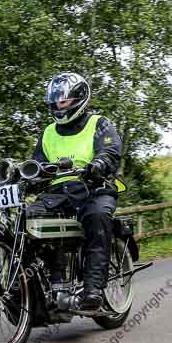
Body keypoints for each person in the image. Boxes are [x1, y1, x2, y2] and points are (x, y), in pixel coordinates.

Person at [30, 72, 122, 311]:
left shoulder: (100, 124)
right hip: (58, 193)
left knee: (97, 217)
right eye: (55, 101)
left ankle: (93, 290)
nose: (58, 106)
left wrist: (99, 164)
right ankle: (45, 285)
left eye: (64, 101)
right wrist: (29, 178)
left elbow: (111, 151)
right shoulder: (48, 133)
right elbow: (37, 165)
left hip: (93, 188)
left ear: (79, 98)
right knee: (28, 219)